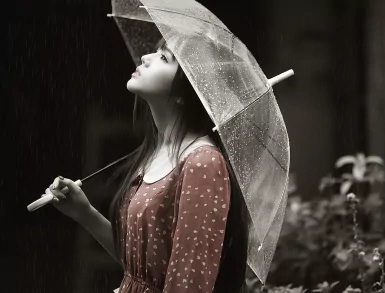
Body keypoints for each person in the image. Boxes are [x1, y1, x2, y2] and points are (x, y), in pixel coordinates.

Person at [43, 38, 249, 293]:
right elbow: (141, 269)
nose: (145, 57)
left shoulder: (202, 163)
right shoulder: (157, 151)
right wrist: (84, 212)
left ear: (188, 92)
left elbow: (188, 286)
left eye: (164, 58)